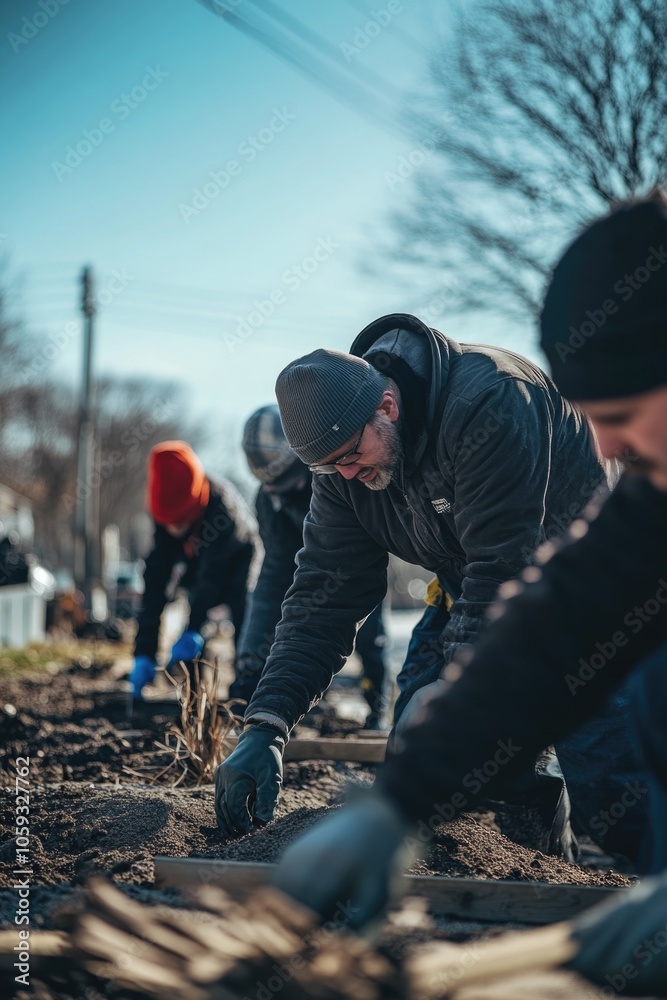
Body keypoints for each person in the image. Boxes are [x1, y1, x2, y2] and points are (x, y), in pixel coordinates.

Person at [273, 194, 667, 995]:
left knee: (632, 737)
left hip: (517, 564)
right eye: (593, 420)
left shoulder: (491, 404)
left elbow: (514, 569)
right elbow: (557, 622)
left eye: (620, 415)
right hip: (484, 592)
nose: (606, 449)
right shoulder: (653, 495)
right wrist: (400, 797)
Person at [214, 309, 646, 859]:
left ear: (387, 407)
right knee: (432, 754)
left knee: (614, 789)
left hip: (591, 588)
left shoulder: (491, 400)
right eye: (329, 468)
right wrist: (268, 722)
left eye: (350, 457)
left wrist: (456, 698)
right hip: (473, 586)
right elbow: (324, 594)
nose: (346, 474)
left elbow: (504, 566)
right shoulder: (343, 464)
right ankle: (539, 876)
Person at [230, 404, 388, 728]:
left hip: (354, 565)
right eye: (271, 488)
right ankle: (305, 697)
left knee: (369, 635)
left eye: (286, 486)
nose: (279, 495)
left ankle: (379, 705)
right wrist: (249, 661)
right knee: (296, 625)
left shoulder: (339, 479)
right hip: (303, 566)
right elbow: (273, 573)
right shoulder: (269, 502)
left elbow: (363, 557)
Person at [130, 441, 258, 700]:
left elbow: (212, 579)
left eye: (181, 522)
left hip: (238, 559)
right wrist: (144, 651)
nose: (174, 530)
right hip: (196, 560)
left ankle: (248, 689)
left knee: (245, 619)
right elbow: (155, 579)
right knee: (193, 633)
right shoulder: (164, 510)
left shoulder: (223, 512)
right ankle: (195, 696)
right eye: (169, 524)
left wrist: (195, 626)